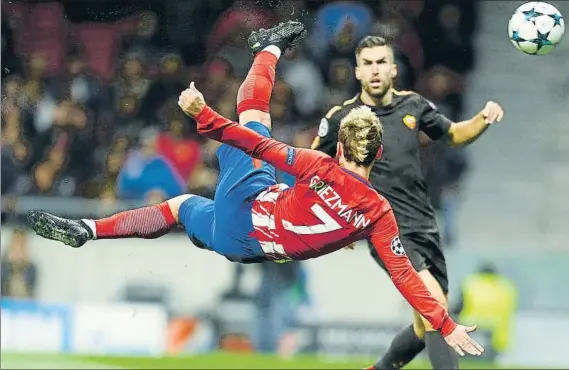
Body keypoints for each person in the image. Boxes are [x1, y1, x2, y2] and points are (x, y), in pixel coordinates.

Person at [27, 21, 482, 357]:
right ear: (377, 157)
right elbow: (405, 276)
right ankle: (86, 228)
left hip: (244, 214)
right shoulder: (380, 214)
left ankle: (267, 50)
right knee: (185, 205)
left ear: (341, 148)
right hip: (251, 248)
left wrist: (204, 117)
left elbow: (257, 144)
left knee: (250, 123)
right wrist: (445, 323)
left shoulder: (319, 165)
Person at [311, 35, 504, 370]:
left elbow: (454, 134)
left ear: (393, 69)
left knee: (422, 326)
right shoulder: (342, 117)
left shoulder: (413, 105)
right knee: (436, 309)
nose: (375, 70)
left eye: (381, 62)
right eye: (367, 63)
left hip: (425, 225)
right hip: (388, 230)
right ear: (357, 71)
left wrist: (483, 119)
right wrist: (335, 220)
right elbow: (313, 169)